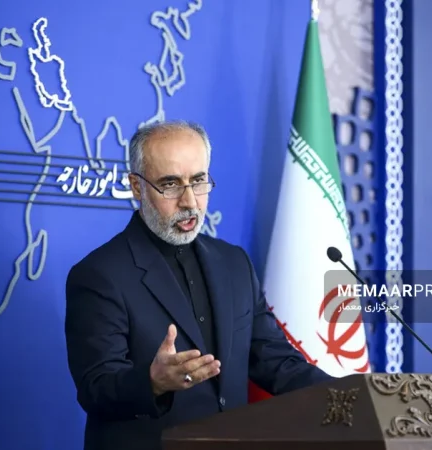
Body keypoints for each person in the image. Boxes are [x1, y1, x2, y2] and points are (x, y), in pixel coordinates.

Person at [64, 120, 333, 450]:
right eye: (170, 184)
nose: (190, 201)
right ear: (136, 186)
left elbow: (274, 360)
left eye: (198, 181)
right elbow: (96, 388)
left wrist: (354, 391)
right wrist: (152, 382)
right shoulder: (100, 274)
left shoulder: (234, 263)